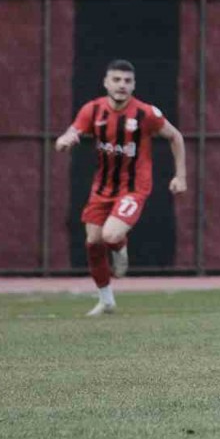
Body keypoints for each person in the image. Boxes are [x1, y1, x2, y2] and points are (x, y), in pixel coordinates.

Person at [54, 59, 187, 316]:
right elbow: (70, 134)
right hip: (102, 188)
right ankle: (107, 300)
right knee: (93, 243)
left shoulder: (146, 113)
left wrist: (180, 176)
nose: (121, 85)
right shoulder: (92, 110)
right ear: (106, 82)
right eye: (116, 80)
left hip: (134, 187)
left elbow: (175, 136)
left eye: (127, 81)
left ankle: (120, 246)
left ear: (134, 85)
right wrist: (64, 141)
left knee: (110, 236)